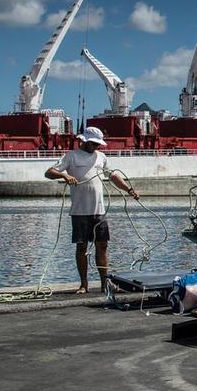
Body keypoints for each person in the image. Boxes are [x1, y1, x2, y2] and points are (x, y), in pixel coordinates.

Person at [44, 126, 139, 294]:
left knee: (102, 245)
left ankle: (105, 283)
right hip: (80, 211)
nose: (96, 147)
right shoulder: (71, 156)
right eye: (93, 143)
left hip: (99, 210)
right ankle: (84, 284)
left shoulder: (101, 157)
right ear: (85, 140)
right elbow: (49, 172)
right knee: (82, 247)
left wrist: (129, 189)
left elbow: (113, 176)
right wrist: (65, 175)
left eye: (98, 144)